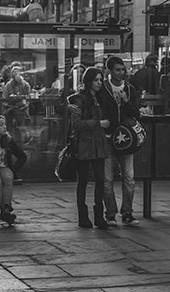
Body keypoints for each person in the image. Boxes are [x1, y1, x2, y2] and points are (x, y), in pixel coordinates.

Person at [99, 56, 142, 226]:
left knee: (129, 178)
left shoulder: (130, 89)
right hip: (109, 138)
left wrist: (125, 102)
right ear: (109, 70)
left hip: (126, 140)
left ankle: (127, 212)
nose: (121, 73)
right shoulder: (103, 89)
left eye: (123, 69)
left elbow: (136, 113)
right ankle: (110, 213)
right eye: (117, 69)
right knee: (107, 180)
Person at [68, 67, 111, 229]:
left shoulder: (101, 98)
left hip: (98, 144)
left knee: (100, 179)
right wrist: (98, 124)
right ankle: (83, 217)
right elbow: (77, 124)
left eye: (101, 80)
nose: (99, 83)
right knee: (83, 181)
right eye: (96, 80)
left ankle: (99, 216)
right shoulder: (80, 99)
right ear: (89, 81)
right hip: (84, 145)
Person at [2, 67, 31, 139]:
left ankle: (22, 135)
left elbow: (28, 98)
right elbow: (5, 98)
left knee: (18, 113)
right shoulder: (8, 85)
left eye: (18, 72)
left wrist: (24, 103)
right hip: (10, 106)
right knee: (10, 113)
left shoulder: (26, 85)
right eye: (14, 72)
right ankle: (23, 135)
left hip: (22, 107)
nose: (16, 74)